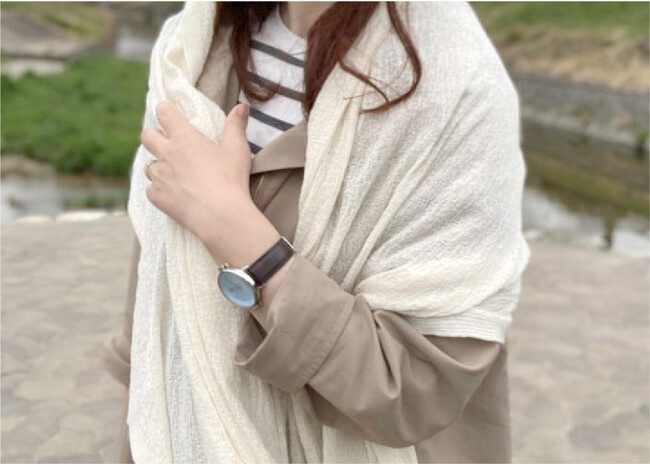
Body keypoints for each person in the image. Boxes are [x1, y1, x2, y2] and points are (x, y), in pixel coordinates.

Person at [102, 2, 528, 462]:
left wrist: (237, 234)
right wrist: (138, 417)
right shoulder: (193, 44)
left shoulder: (457, 89)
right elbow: (156, 268)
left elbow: (417, 390)